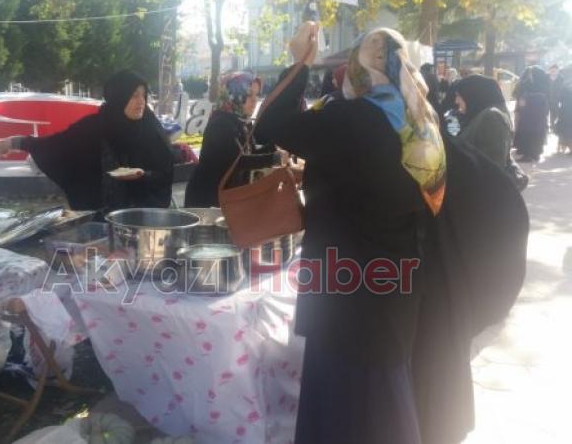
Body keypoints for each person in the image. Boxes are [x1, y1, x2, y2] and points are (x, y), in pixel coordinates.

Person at [255, 26, 445, 444]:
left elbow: (268, 124)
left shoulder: (353, 118)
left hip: (347, 288)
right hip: (395, 280)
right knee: (384, 399)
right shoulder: (420, 119)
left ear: (360, 67)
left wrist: (301, 61)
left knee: (345, 405)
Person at [0, 70, 174, 213]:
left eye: (143, 95)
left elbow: (165, 170)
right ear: (119, 96)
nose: (141, 102)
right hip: (102, 216)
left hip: (143, 216)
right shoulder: (95, 126)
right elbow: (57, 145)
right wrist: (15, 142)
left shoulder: (150, 128)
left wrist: (144, 175)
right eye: (134, 96)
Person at [184, 72, 277, 208]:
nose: (255, 100)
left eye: (257, 95)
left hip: (225, 198)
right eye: (249, 94)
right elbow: (238, 161)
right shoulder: (221, 124)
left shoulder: (240, 121)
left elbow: (249, 153)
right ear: (234, 94)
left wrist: (274, 147)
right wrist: (274, 158)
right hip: (207, 201)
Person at [454, 74, 513, 167]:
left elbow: (493, 165)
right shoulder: (481, 115)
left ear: (473, 95)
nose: (456, 101)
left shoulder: (492, 117)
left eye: (459, 96)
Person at [513, 66, 551, 162]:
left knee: (532, 132)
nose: (529, 76)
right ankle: (532, 153)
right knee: (533, 132)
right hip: (532, 114)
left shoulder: (536, 85)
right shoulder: (532, 84)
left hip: (532, 113)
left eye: (531, 73)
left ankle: (530, 154)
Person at [554, 66, 572, 152]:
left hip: (565, 110)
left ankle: (562, 147)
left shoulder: (564, 85)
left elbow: (559, 98)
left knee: (564, 128)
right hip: (567, 109)